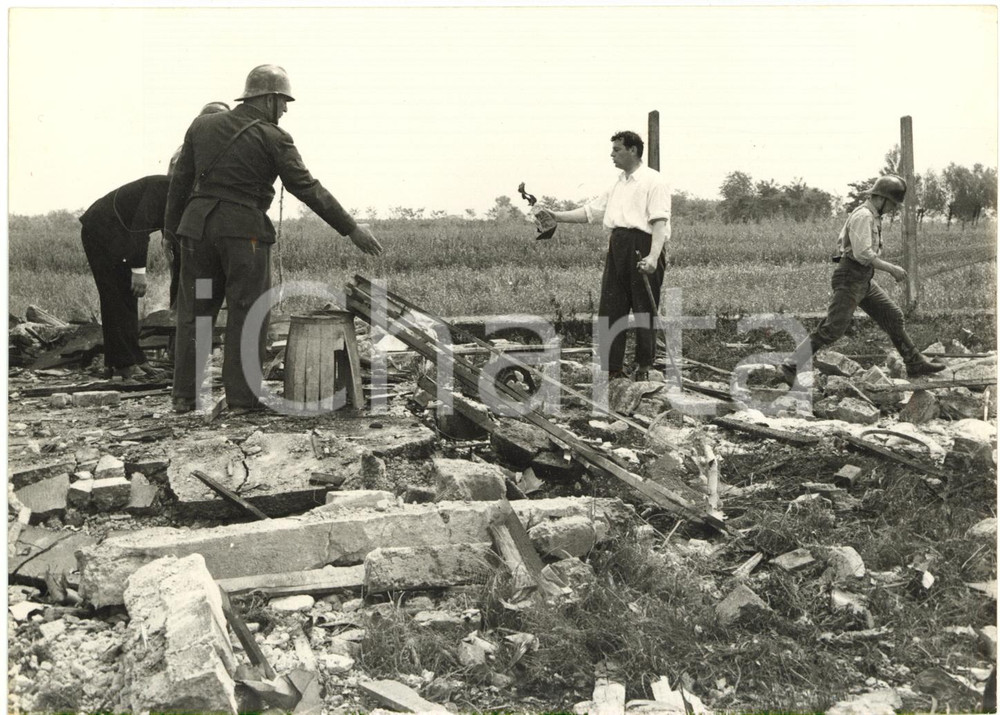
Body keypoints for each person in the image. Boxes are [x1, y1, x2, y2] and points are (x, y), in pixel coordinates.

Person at [165, 64, 383, 414]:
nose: (285, 109)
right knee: (246, 312)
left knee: (197, 313)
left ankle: (184, 397)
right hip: (243, 238)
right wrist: (351, 228)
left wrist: (171, 231)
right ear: (267, 98)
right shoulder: (274, 137)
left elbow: (179, 182)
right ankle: (241, 400)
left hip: (198, 236)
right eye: (282, 101)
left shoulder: (201, 125)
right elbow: (306, 187)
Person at [780, 174, 945, 387]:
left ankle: (914, 363)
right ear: (881, 198)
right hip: (850, 277)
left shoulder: (871, 216)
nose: (893, 209)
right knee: (833, 329)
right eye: (892, 204)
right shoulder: (864, 216)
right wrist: (891, 268)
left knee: (893, 316)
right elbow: (863, 254)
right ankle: (791, 364)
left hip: (862, 279)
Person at [535, 130, 671, 382]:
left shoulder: (654, 181)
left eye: (617, 149)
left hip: (644, 244)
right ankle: (613, 370)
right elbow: (591, 212)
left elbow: (660, 222)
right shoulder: (618, 183)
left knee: (644, 309)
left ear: (632, 150)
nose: (612, 154)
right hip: (618, 245)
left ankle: (643, 368)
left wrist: (653, 257)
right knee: (611, 307)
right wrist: (555, 215)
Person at [79, 175, 171, 380]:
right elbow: (140, 228)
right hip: (101, 229)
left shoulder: (180, 194)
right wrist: (139, 272)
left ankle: (133, 359)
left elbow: (169, 234)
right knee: (115, 296)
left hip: (119, 234)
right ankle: (124, 364)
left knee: (127, 296)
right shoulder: (162, 187)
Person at [166, 101, 232, 309]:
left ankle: (203, 336)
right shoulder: (187, 152)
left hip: (198, 230)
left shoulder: (188, 150)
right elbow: (175, 192)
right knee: (195, 290)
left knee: (205, 290)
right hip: (194, 231)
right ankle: (191, 337)